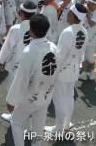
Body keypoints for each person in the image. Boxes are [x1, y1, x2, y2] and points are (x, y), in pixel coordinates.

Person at [7, 14, 59, 146]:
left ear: (31, 30)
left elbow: (21, 79)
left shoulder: (29, 50)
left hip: (31, 96)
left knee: (16, 121)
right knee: (38, 125)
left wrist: (11, 100)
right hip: (46, 94)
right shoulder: (53, 47)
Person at [45, 3, 88, 133]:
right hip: (74, 68)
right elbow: (82, 53)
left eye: (69, 12)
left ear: (73, 15)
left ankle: (59, 128)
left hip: (63, 70)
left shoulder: (68, 31)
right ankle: (67, 123)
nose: (66, 14)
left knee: (58, 99)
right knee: (68, 97)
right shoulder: (83, 30)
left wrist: (52, 71)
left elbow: (60, 56)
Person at [0, 0, 38, 122]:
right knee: (28, 92)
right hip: (33, 65)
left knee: (13, 91)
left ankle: (15, 116)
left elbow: (7, 47)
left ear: (22, 14)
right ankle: (27, 117)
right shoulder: (39, 27)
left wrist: (2, 61)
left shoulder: (16, 28)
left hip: (16, 65)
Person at [79, 0, 96, 80]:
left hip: (92, 39)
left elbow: (92, 23)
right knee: (86, 56)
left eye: (89, 3)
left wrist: (87, 13)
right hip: (87, 37)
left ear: (94, 4)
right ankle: (87, 73)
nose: (87, 4)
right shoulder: (91, 10)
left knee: (89, 57)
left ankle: (89, 73)